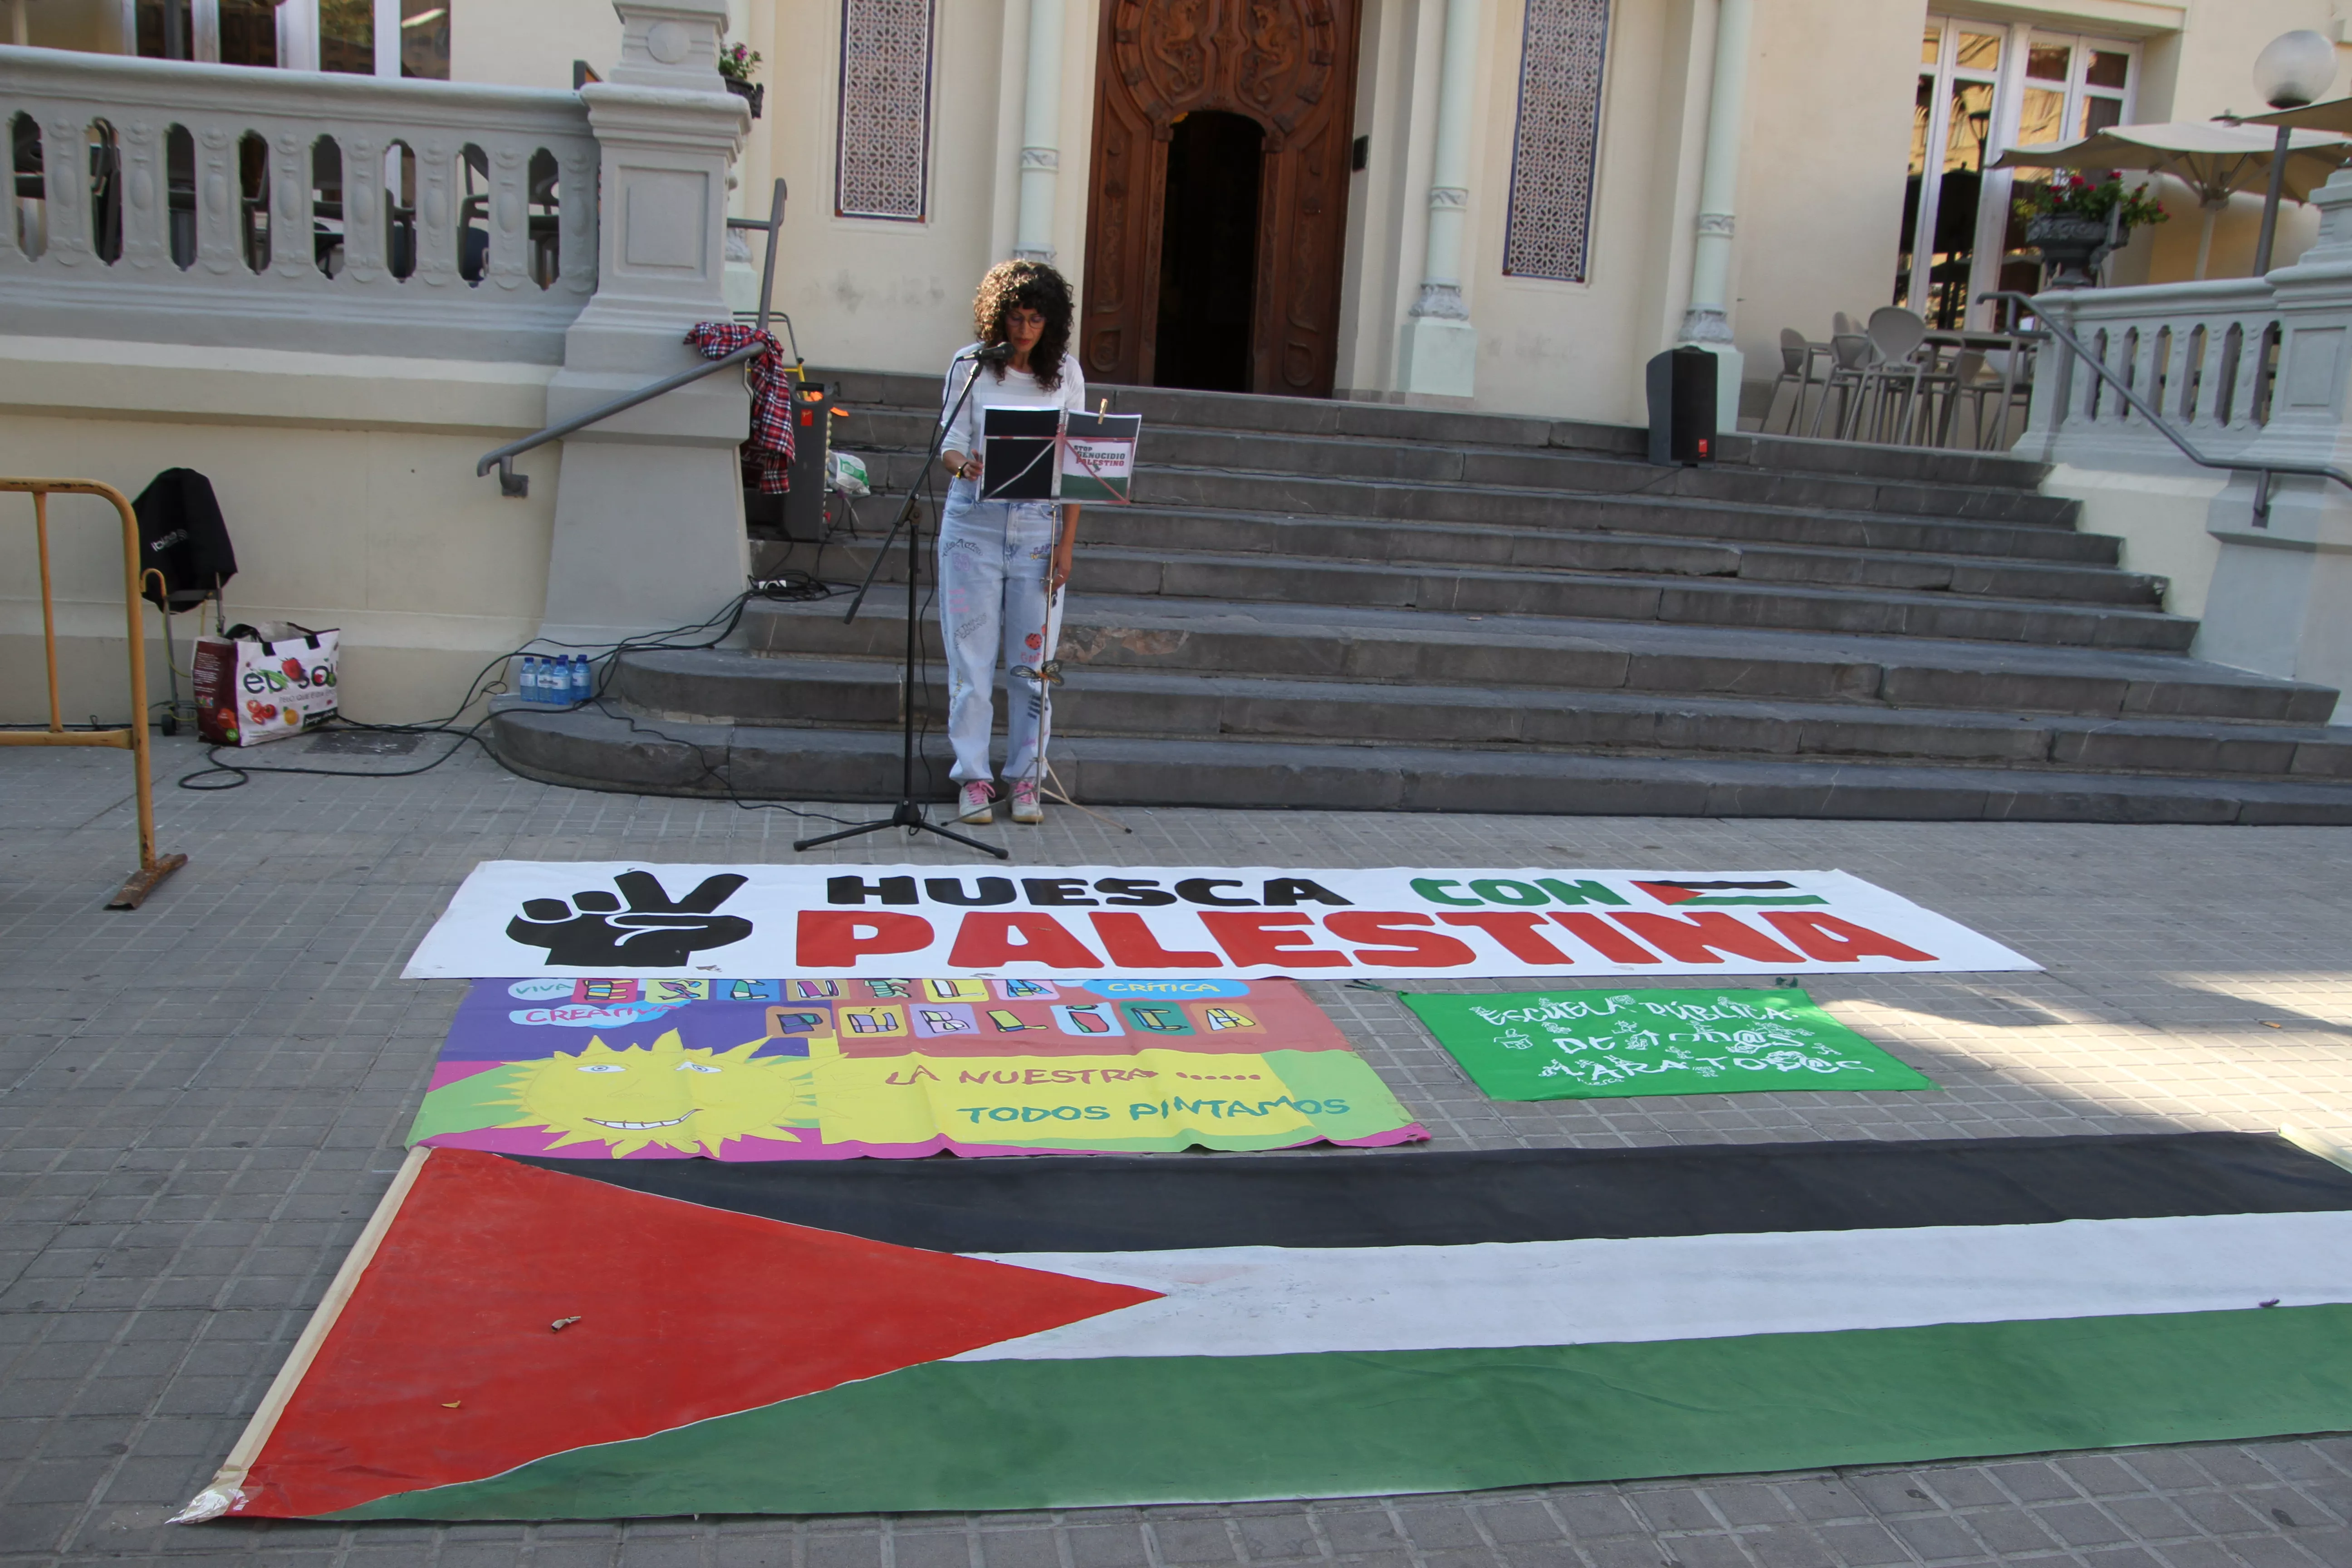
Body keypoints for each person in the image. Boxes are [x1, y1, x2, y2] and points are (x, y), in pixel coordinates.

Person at [934, 260, 1086, 826]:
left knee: (1034, 665)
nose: (1024, 331)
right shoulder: (971, 365)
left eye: (1035, 319)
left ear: (1051, 323)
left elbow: (1077, 464)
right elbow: (948, 444)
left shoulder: (1065, 374)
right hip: (973, 528)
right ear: (996, 318)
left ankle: (1026, 780)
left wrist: (1068, 545)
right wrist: (964, 465)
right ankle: (973, 779)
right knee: (970, 662)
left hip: (1039, 534)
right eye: (1015, 318)